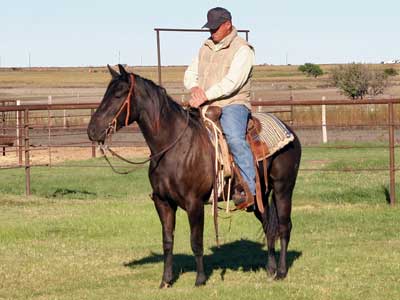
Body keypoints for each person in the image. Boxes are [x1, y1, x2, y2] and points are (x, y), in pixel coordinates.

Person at [184, 7, 256, 210]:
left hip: (232, 103)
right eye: (210, 28)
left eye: (215, 28)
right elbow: (190, 72)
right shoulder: (205, 47)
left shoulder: (242, 49)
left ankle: (249, 189)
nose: (212, 32)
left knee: (234, 138)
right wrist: (195, 88)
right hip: (204, 102)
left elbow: (232, 82)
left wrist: (205, 95)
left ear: (228, 25)